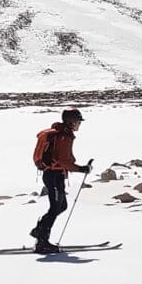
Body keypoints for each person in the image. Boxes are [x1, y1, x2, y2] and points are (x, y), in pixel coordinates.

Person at [30, 108, 91, 253]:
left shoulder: (63, 134)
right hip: (53, 175)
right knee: (55, 207)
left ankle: (39, 230)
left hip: (56, 175)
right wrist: (81, 169)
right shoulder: (64, 136)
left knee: (61, 206)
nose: (79, 124)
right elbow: (62, 160)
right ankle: (42, 242)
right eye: (78, 121)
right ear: (71, 122)